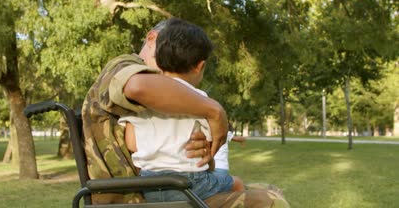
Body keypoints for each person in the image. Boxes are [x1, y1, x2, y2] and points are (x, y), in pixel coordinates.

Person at [81, 18, 290, 207]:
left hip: (153, 189)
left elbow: (136, 140)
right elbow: (137, 86)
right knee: (271, 202)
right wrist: (215, 111)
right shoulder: (125, 64)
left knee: (266, 188)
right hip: (133, 198)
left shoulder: (165, 97)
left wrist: (200, 152)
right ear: (152, 39)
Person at [118, 18, 244, 201]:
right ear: (200, 66)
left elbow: (131, 143)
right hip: (189, 185)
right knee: (237, 183)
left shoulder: (143, 102)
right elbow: (209, 148)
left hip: (149, 185)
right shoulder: (199, 99)